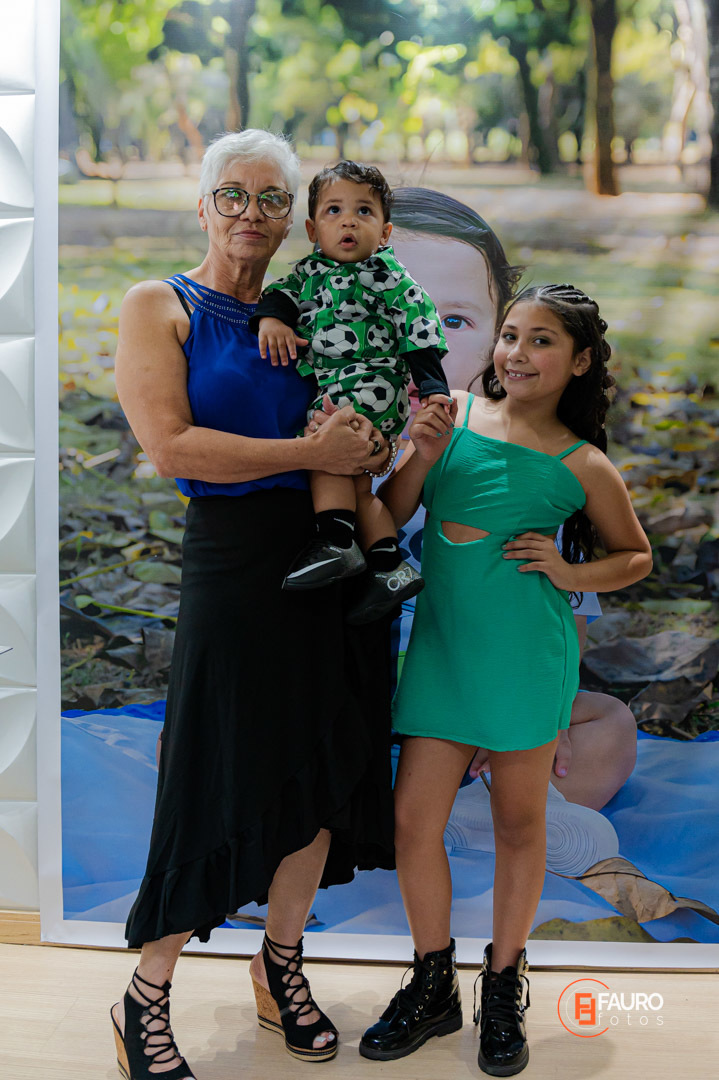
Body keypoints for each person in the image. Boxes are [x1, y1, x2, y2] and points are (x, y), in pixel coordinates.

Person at [110, 129, 396, 1080]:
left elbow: (361, 416)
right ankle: (145, 994)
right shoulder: (159, 305)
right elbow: (171, 447)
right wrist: (310, 453)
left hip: (331, 553)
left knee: (320, 763)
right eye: (232, 194)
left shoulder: (320, 301)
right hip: (234, 560)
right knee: (215, 767)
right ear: (203, 206)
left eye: (272, 199)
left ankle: (281, 964)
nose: (251, 213)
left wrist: (378, 443)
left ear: (292, 221)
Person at [359, 284, 652, 1075]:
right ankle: (431, 983)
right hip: (442, 653)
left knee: (520, 826)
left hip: (525, 658)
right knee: (412, 822)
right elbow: (389, 512)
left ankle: (501, 984)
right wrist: (421, 455)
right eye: (510, 335)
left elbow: (634, 555)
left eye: (541, 340)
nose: (517, 353)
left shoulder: (581, 462)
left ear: (579, 362)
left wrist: (568, 569)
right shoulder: (451, 415)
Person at [251, 162, 452, 624]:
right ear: (312, 230)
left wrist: (433, 387)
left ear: (385, 232)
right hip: (340, 384)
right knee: (359, 486)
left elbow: (419, 326)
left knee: (327, 453)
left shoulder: (389, 275)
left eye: (364, 211)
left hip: (372, 382)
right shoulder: (309, 273)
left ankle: (336, 542)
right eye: (334, 211)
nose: (349, 222)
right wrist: (272, 320)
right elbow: (280, 295)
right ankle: (388, 565)